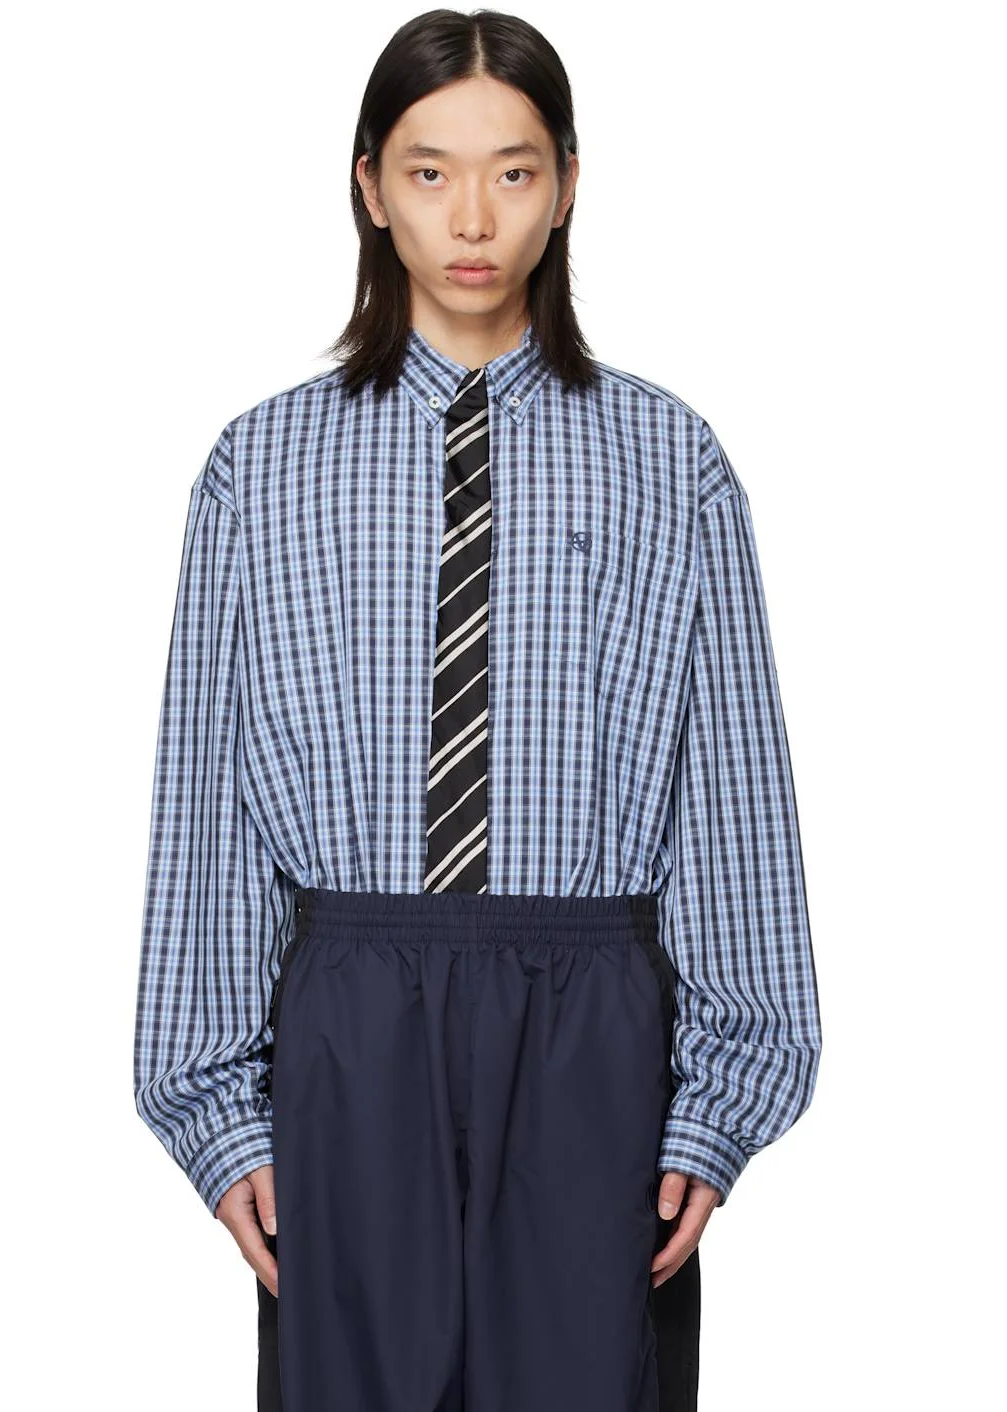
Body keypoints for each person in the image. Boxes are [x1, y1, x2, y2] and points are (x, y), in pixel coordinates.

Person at [133, 10, 822, 1412]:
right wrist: (214, 1112)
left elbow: (732, 789)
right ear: (369, 186)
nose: (471, 218)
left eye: (512, 172)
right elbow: (207, 801)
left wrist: (720, 1101)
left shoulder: (669, 459)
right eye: (429, 170)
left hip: (589, 1017)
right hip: (352, 1014)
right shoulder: (260, 467)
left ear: (566, 186)